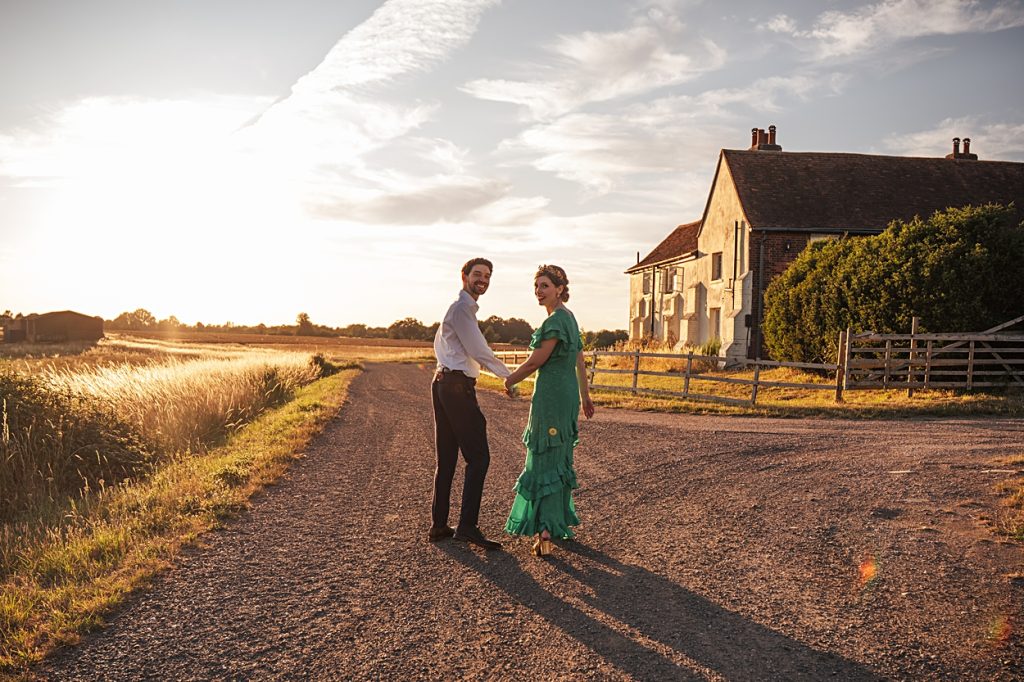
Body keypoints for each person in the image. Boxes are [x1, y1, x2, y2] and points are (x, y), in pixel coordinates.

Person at [503, 264, 595, 557]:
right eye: (536, 286)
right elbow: (579, 360)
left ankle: (544, 529)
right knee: (557, 458)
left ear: (559, 289)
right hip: (565, 395)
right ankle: (551, 524)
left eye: (545, 286)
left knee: (544, 458)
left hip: (551, 397)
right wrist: (584, 396)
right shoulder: (570, 317)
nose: (539, 291)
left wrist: (510, 379)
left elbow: (535, 361)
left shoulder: (556, 320)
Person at [430, 257, 514, 550]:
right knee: (479, 458)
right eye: (478, 274)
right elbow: (481, 351)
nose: (483, 279)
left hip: (442, 382)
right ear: (464, 276)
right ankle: (466, 526)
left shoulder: (456, 309)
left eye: (487, 276)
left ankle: (440, 524)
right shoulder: (463, 310)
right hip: (456, 387)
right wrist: (509, 377)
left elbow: (444, 347)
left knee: (448, 458)